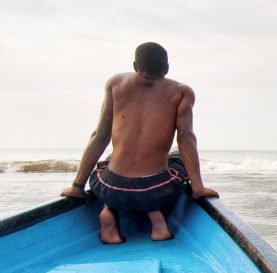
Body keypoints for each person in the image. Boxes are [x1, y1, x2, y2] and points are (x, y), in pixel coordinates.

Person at [61, 42, 219, 243]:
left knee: (109, 161)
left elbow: (99, 137)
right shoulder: (182, 92)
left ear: (135, 65)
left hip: (110, 189)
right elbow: (186, 138)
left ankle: (109, 208)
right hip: (157, 191)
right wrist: (198, 188)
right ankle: (156, 219)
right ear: (167, 68)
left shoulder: (115, 84)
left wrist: (77, 186)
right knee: (177, 157)